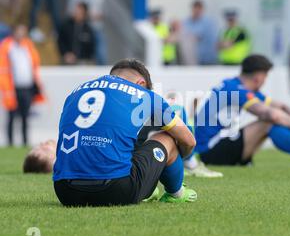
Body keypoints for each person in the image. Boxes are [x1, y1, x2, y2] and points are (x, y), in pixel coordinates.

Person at [53, 59, 197, 207]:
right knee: (168, 137)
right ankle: (176, 193)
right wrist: (176, 157)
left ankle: (145, 184)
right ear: (141, 83)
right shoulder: (145, 94)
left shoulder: (75, 92)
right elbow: (189, 140)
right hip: (114, 190)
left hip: (65, 192)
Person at [137, 91, 223, 178]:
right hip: (142, 160)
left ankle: (187, 162)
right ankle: (189, 162)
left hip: (139, 157)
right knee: (178, 118)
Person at [0, 24, 46, 146]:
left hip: (27, 87)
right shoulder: (7, 46)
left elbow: (33, 65)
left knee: (26, 116)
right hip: (13, 87)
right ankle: (10, 143)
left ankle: (25, 141)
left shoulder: (28, 46)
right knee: (11, 117)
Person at [68, 0, 107, 65]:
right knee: (81, 56)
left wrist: (91, 15)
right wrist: (86, 16)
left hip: (96, 28)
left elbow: (103, 13)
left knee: (101, 55)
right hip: (81, 29)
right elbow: (70, 12)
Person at [183, 0, 218, 65]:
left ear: (202, 9)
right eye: (195, 8)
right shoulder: (186, 22)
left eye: (199, 8)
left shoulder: (209, 23)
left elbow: (209, 39)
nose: (197, 11)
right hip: (192, 60)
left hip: (208, 59)